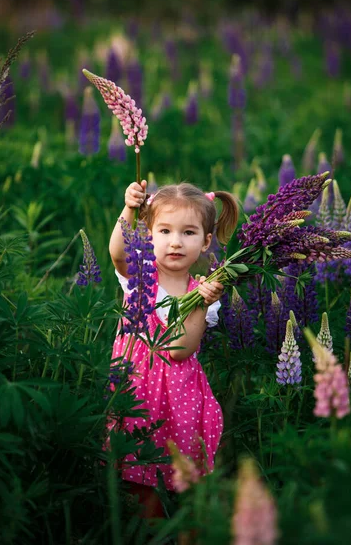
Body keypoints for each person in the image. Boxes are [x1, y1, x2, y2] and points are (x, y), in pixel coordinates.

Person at [108, 179, 239, 517]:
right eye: (164, 231)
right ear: (148, 235)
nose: (175, 242)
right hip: (136, 392)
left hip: (180, 400)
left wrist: (201, 303)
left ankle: (187, 531)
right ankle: (148, 530)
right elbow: (118, 253)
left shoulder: (203, 294)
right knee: (139, 480)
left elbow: (179, 349)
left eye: (188, 233)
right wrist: (129, 209)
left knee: (185, 480)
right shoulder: (140, 275)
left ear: (207, 241)